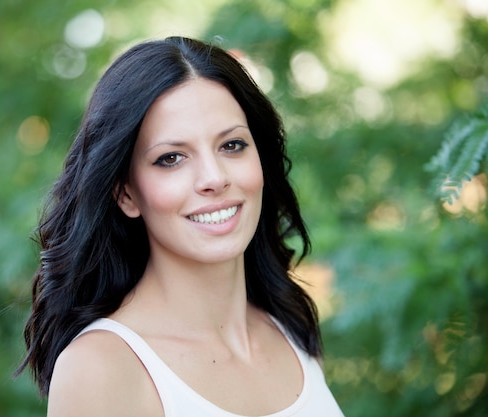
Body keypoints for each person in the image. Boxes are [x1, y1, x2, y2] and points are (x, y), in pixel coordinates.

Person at [18, 36, 344, 417]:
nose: (214, 178)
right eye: (171, 158)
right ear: (125, 193)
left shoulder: (290, 330)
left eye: (232, 145)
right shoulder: (101, 367)